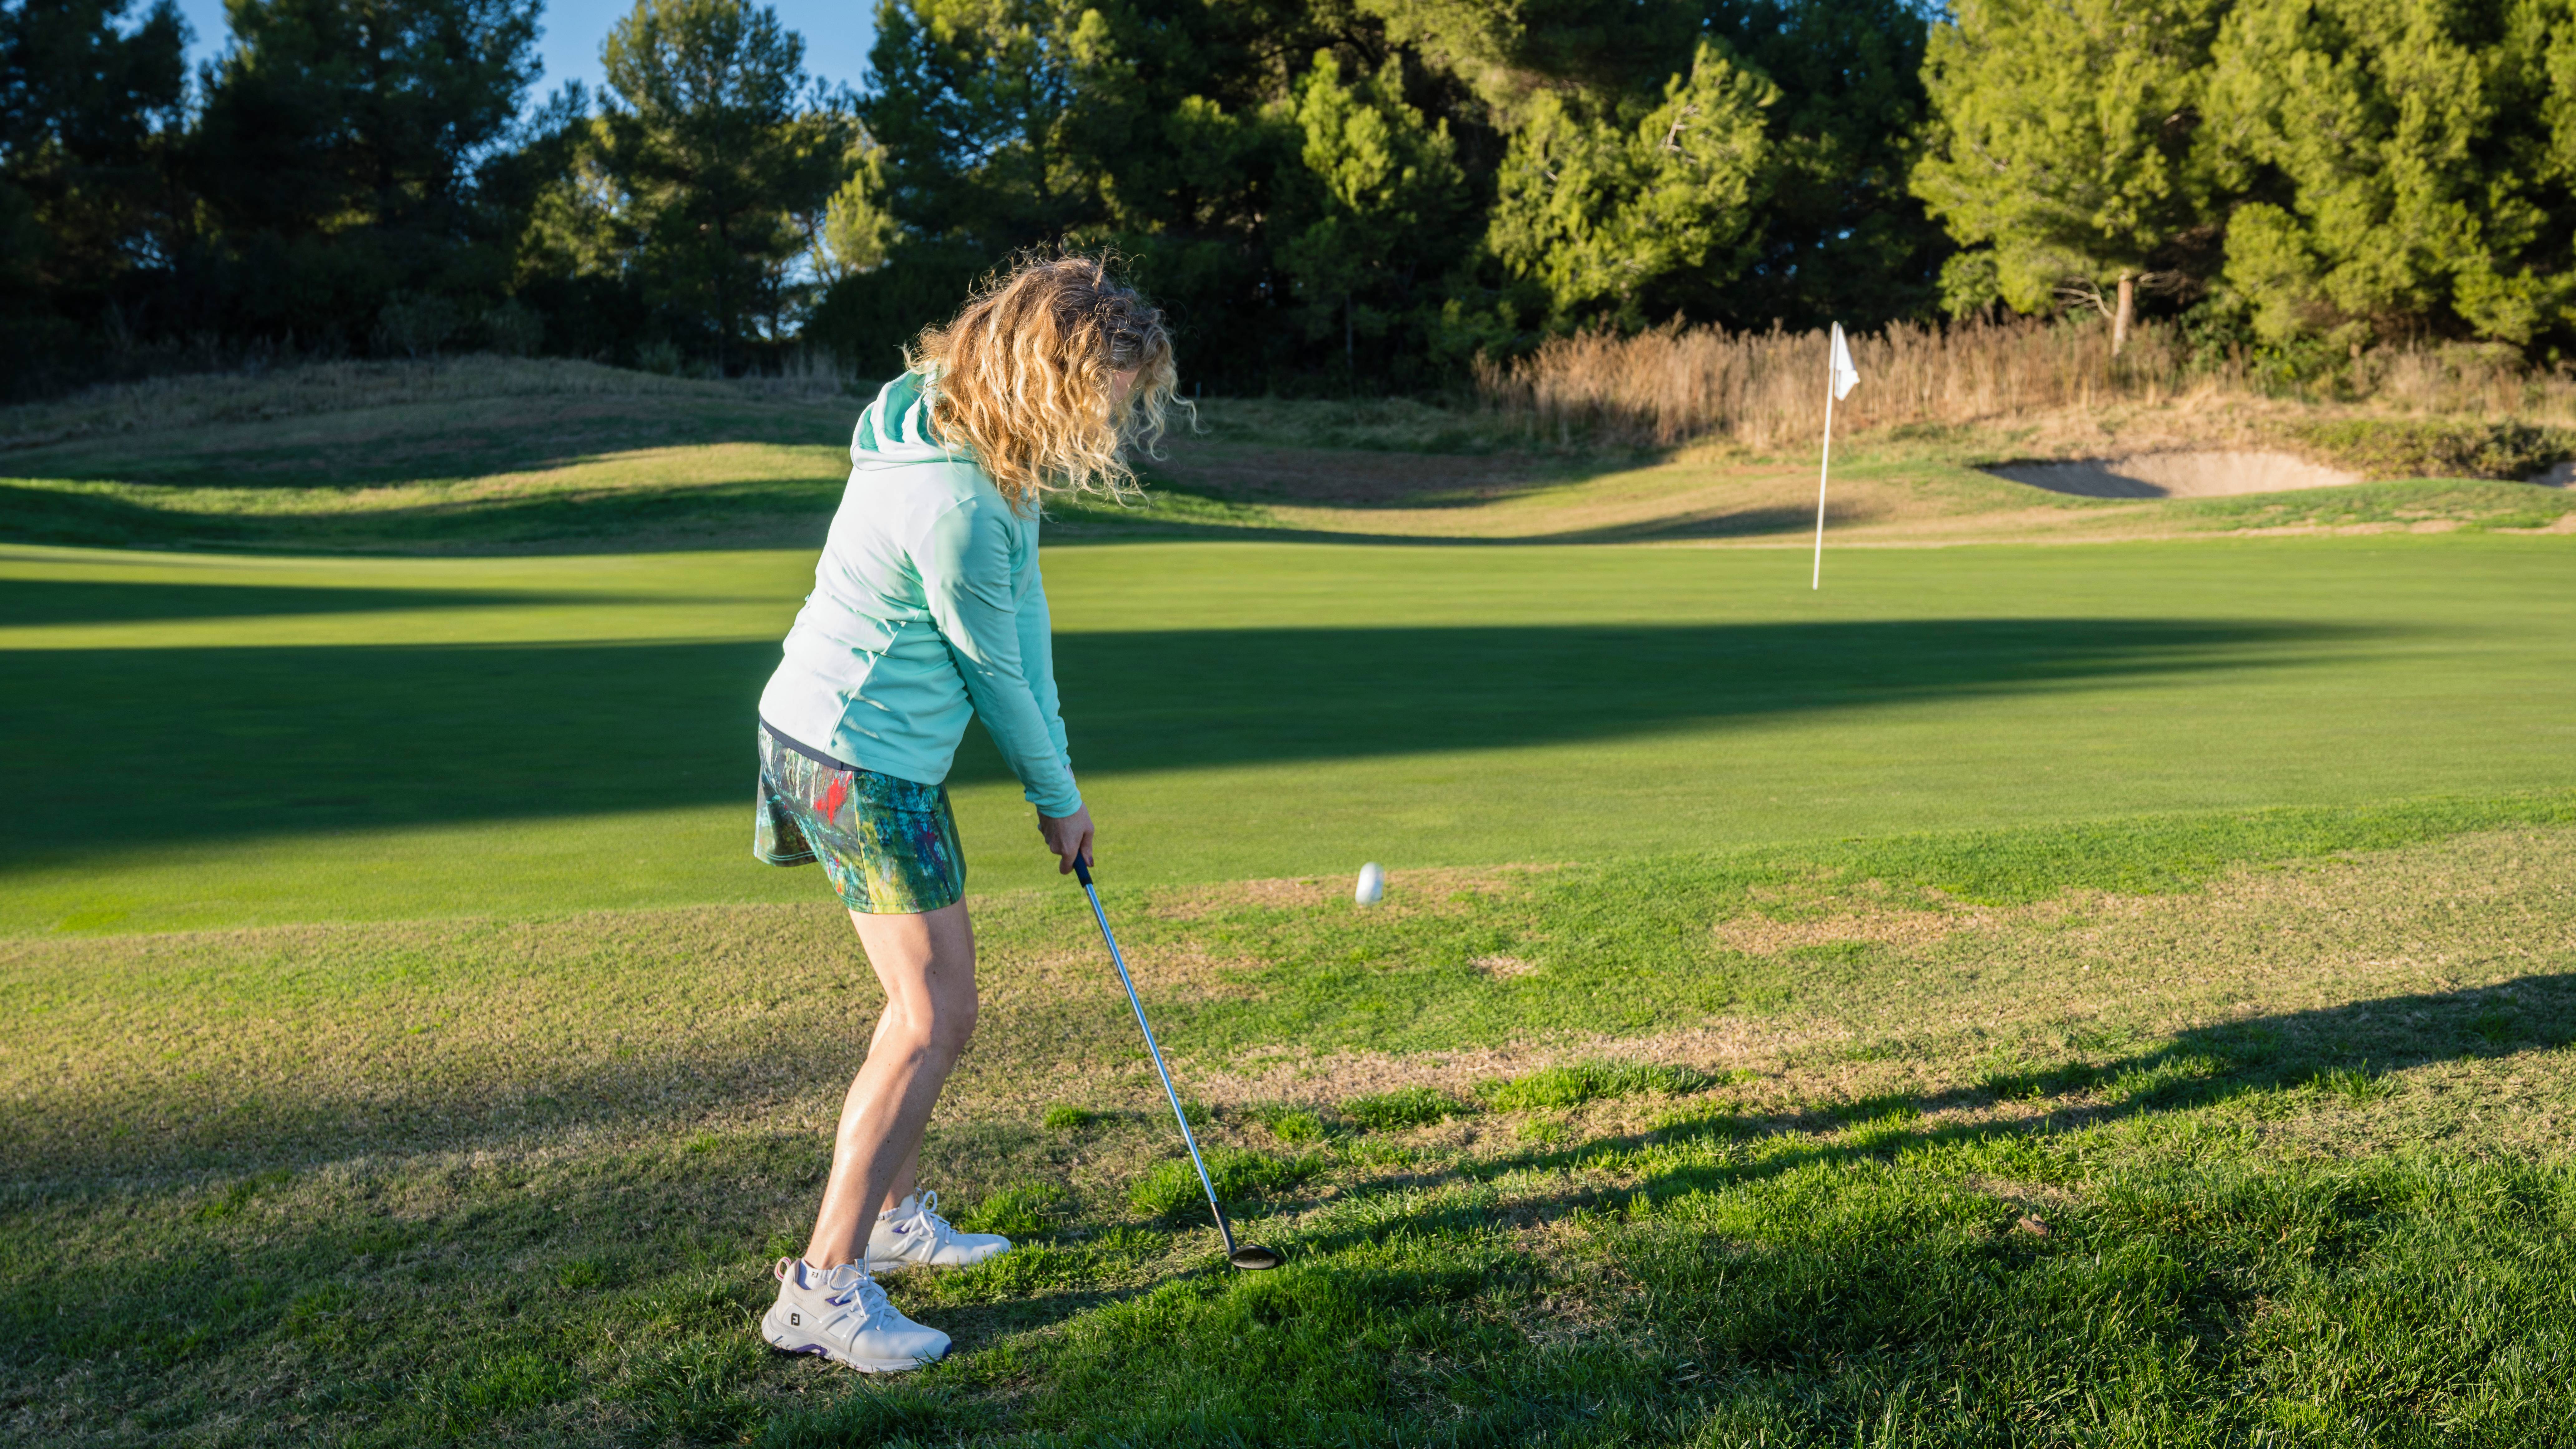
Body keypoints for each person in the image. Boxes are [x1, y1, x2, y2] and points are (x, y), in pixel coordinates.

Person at [750, 255, 1178, 1373]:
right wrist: (1059, 796)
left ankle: (891, 1223)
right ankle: (824, 1284)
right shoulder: (951, 500)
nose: (1113, 418)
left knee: (938, 1005)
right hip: (854, 756)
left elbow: (1024, 610)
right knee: (932, 1014)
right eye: (1103, 393)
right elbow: (993, 670)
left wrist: (1063, 775)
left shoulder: (960, 427)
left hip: (851, 742)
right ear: (1046, 374)